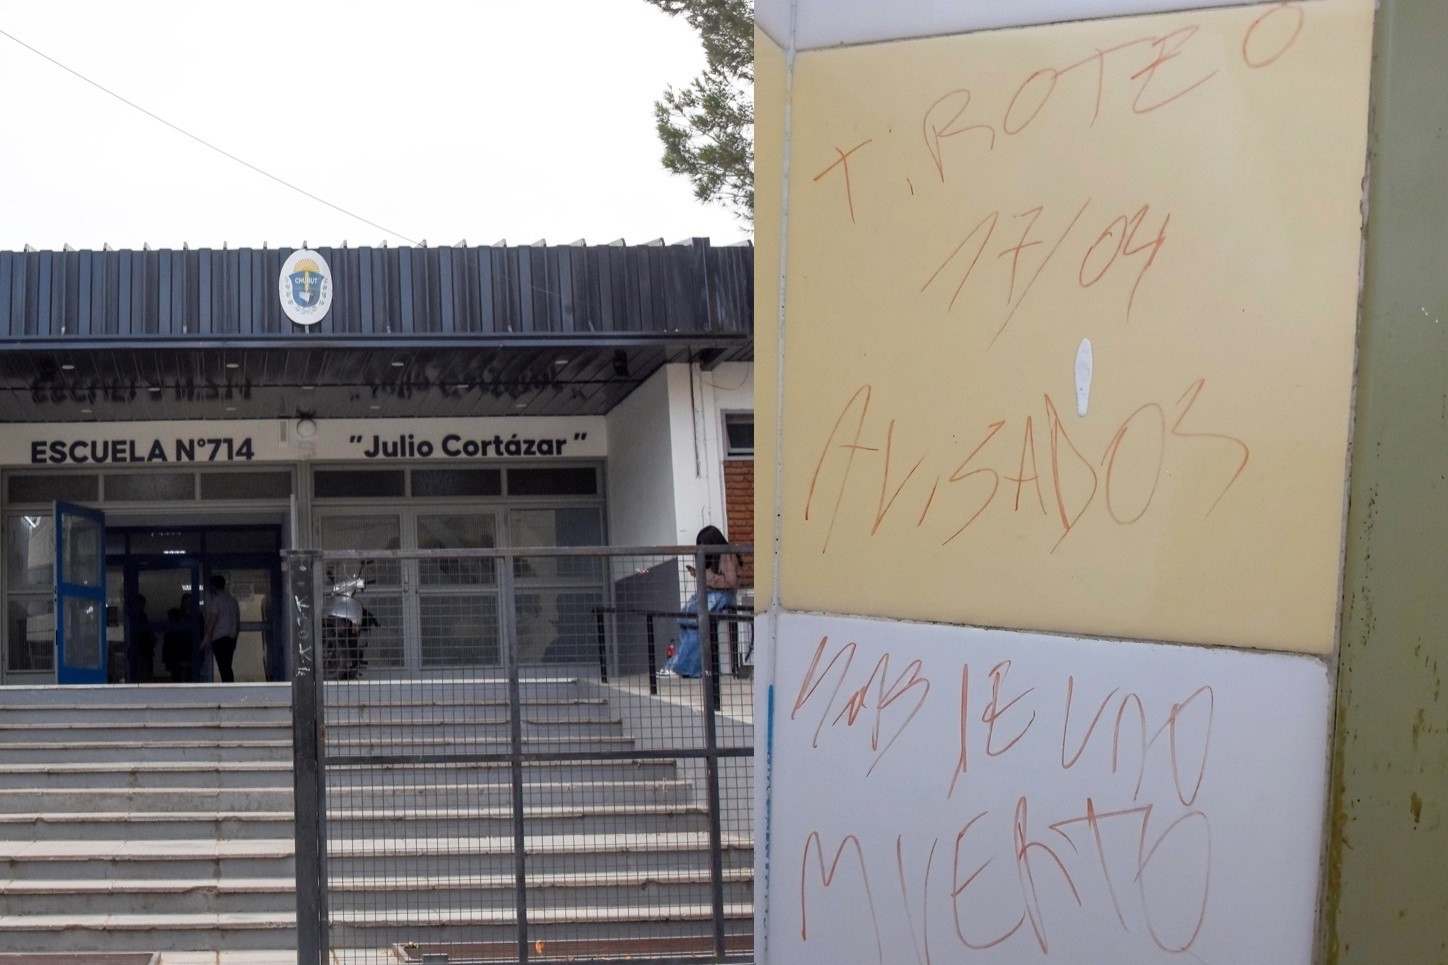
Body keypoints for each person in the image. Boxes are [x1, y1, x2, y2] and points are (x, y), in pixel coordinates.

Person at [660, 525, 740, 679]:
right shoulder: (714, 557)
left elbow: (730, 582)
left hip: (722, 595)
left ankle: (680, 668)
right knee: (685, 619)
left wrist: (707, 577)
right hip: (711, 593)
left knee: (695, 621)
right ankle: (677, 665)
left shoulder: (727, 556)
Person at [202, 574, 241, 684]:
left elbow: (213, 620)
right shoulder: (233, 600)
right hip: (231, 638)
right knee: (227, 665)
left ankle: (227, 688)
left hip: (219, 638)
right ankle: (229, 687)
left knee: (223, 667)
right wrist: (235, 638)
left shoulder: (216, 601)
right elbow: (237, 621)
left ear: (213, 587)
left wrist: (206, 638)